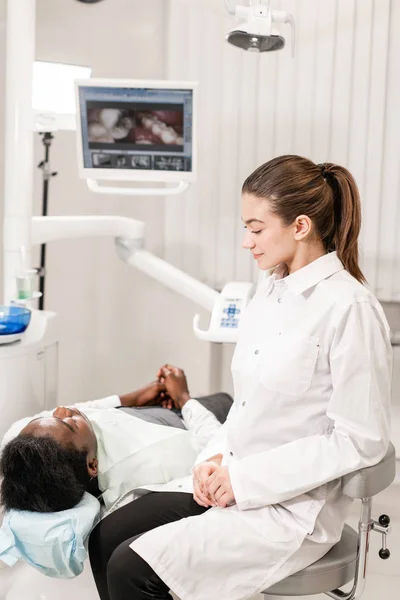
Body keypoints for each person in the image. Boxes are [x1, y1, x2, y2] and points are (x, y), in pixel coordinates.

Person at [91, 155, 392, 600]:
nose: (246, 241)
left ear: (301, 226)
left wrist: (245, 481)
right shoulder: (268, 290)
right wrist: (213, 461)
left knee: (131, 569)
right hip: (233, 476)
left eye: (255, 227)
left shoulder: (349, 308)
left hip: (291, 504)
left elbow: (359, 440)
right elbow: (249, 405)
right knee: (106, 537)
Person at [0, 365, 232, 515]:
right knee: (228, 401)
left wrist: (133, 398)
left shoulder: (21, 438)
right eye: (69, 423)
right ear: (93, 465)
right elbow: (217, 443)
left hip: (141, 413)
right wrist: (184, 398)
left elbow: (75, 410)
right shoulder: (148, 468)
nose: (62, 409)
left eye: (49, 416)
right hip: (193, 424)